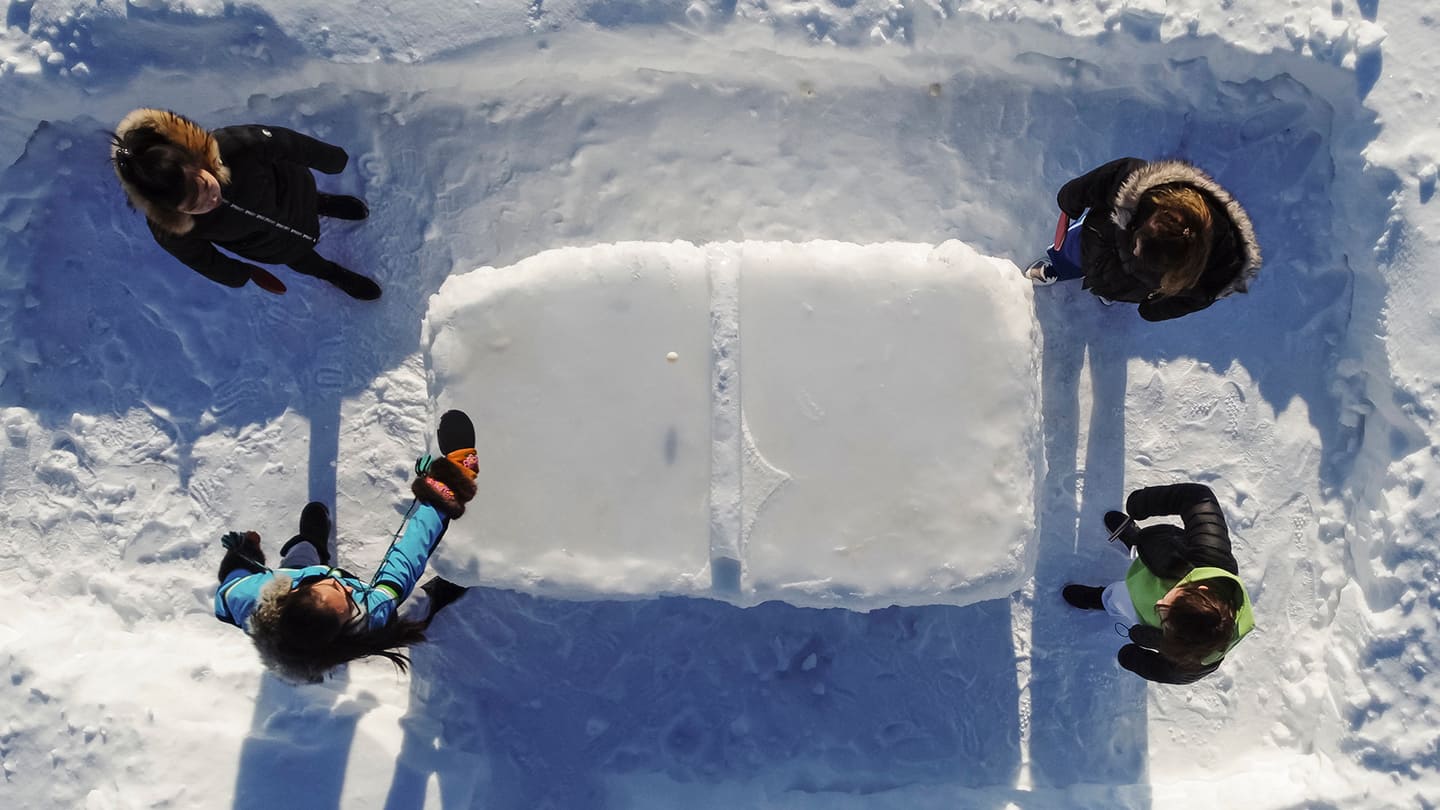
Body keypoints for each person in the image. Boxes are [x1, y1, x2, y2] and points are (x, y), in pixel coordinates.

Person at [213, 426, 479, 682]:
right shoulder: (369, 615)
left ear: (287, 596)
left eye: (328, 588)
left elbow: (230, 584)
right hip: (347, 606)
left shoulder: (249, 595)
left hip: (297, 575)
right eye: (346, 605)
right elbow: (406, 558)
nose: (346, 587)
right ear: (343, 628)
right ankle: (435, 596)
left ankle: (312, 539)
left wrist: (244, 550)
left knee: (302, 555)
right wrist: (442, 493)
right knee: (413, 607)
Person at [110, 108, 381, 300]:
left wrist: (330, 160)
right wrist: (240, 273)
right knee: (301, 259)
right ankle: (332, 273)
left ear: (194, 161)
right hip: (270, 246)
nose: (210, 199)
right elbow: (200, 258)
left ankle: (322, 203)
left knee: (307, 201)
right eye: (194, 205)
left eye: (203, 185)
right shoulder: (170, 228)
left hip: (293, 191)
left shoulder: (234, 146)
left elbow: (286, 143)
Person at [1062, 482, 1255, 684]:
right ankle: (1136, 541)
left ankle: (1103, 599)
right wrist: (1144, 503)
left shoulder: (1199, 655)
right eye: (1172, 604)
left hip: (1138, 606)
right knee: (1150, 551)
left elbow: (1176, 674)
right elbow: (1198, 498)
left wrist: (1147, 654)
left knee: (1120, 598)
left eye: (1166, 621)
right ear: (1201, 588)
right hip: (1169, 555)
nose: (1159, 605)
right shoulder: (1211, 553)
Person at [1025, 157, 1262, 322]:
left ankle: (1107, 290)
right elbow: (1105, 181)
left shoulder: (1215, 278)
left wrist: (1153, 310)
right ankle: (1060, 265)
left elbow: (1189, 302)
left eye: (1143, 253)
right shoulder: (1143, 187)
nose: (1135, 250)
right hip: (1099, 239)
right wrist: (1070, 200)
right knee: (1075, 251)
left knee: (1116, 286)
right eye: (1139, 242)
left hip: (1133, 286)